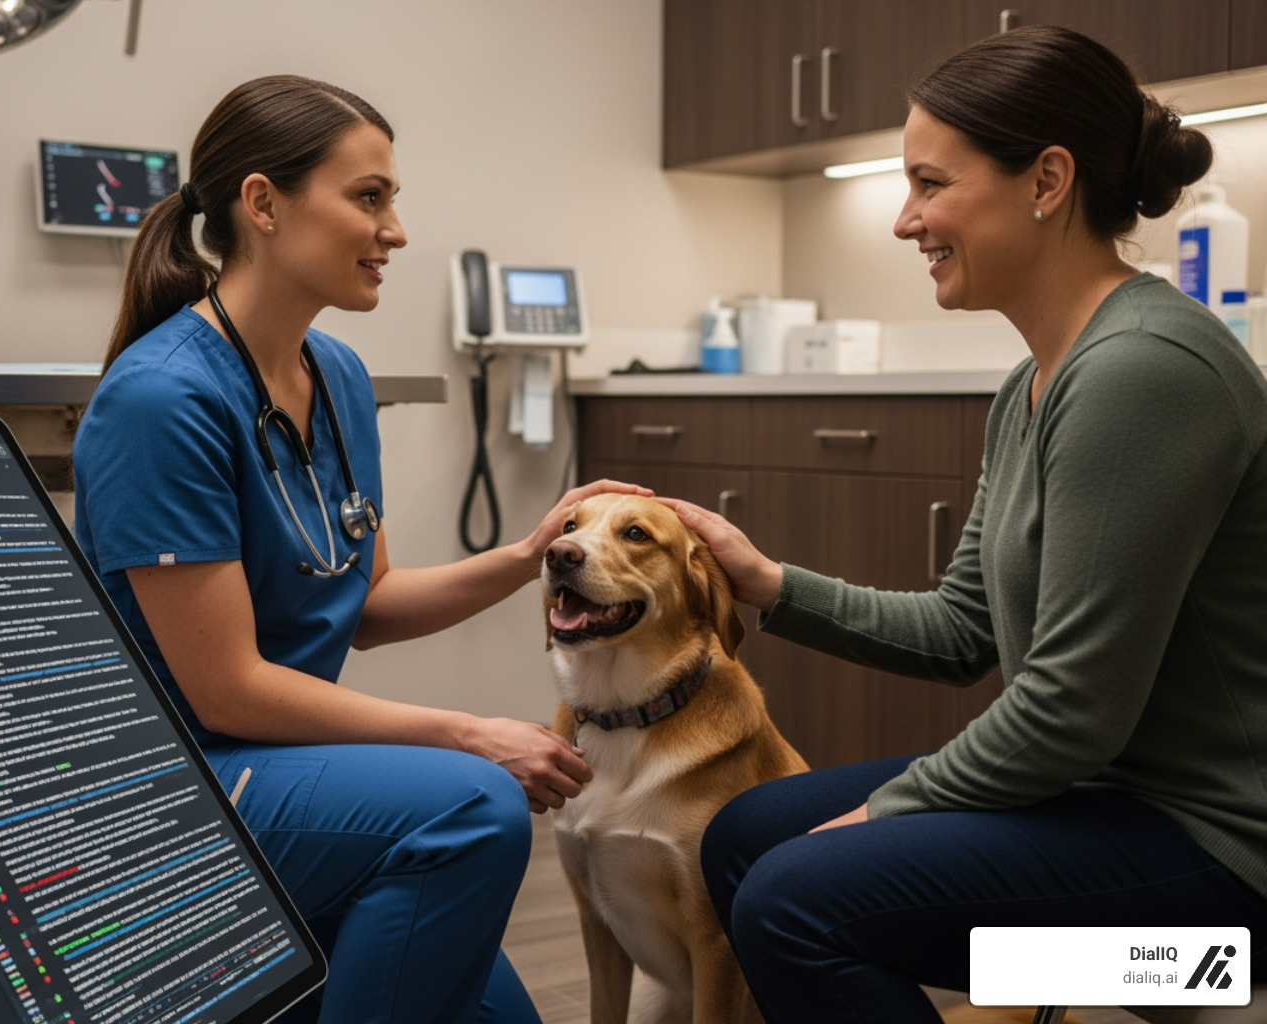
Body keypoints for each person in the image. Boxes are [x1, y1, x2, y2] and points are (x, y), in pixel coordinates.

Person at [668, 26, 1267, 1023]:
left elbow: (1071, 712)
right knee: (748, 834)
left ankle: (1099, 985)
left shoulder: (1142, 371)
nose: (906, 221)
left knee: (791, 899)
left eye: (930, 184)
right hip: (1110, 806)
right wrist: (767, 584)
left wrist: (876, 819)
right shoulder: (1032, 380)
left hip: (1220, 885)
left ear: (1047, 181)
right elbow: (963, 633)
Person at [72, 75, 639, 1024]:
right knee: (469, 807)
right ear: (263, 204)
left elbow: (365, 607)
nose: (397, 230)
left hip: (296, 768)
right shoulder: (161, 400)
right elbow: (226, 692)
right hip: (184, 774)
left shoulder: (334, 374)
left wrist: (531, 553)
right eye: (368, 198)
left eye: (392, 200)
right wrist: (469, 732)